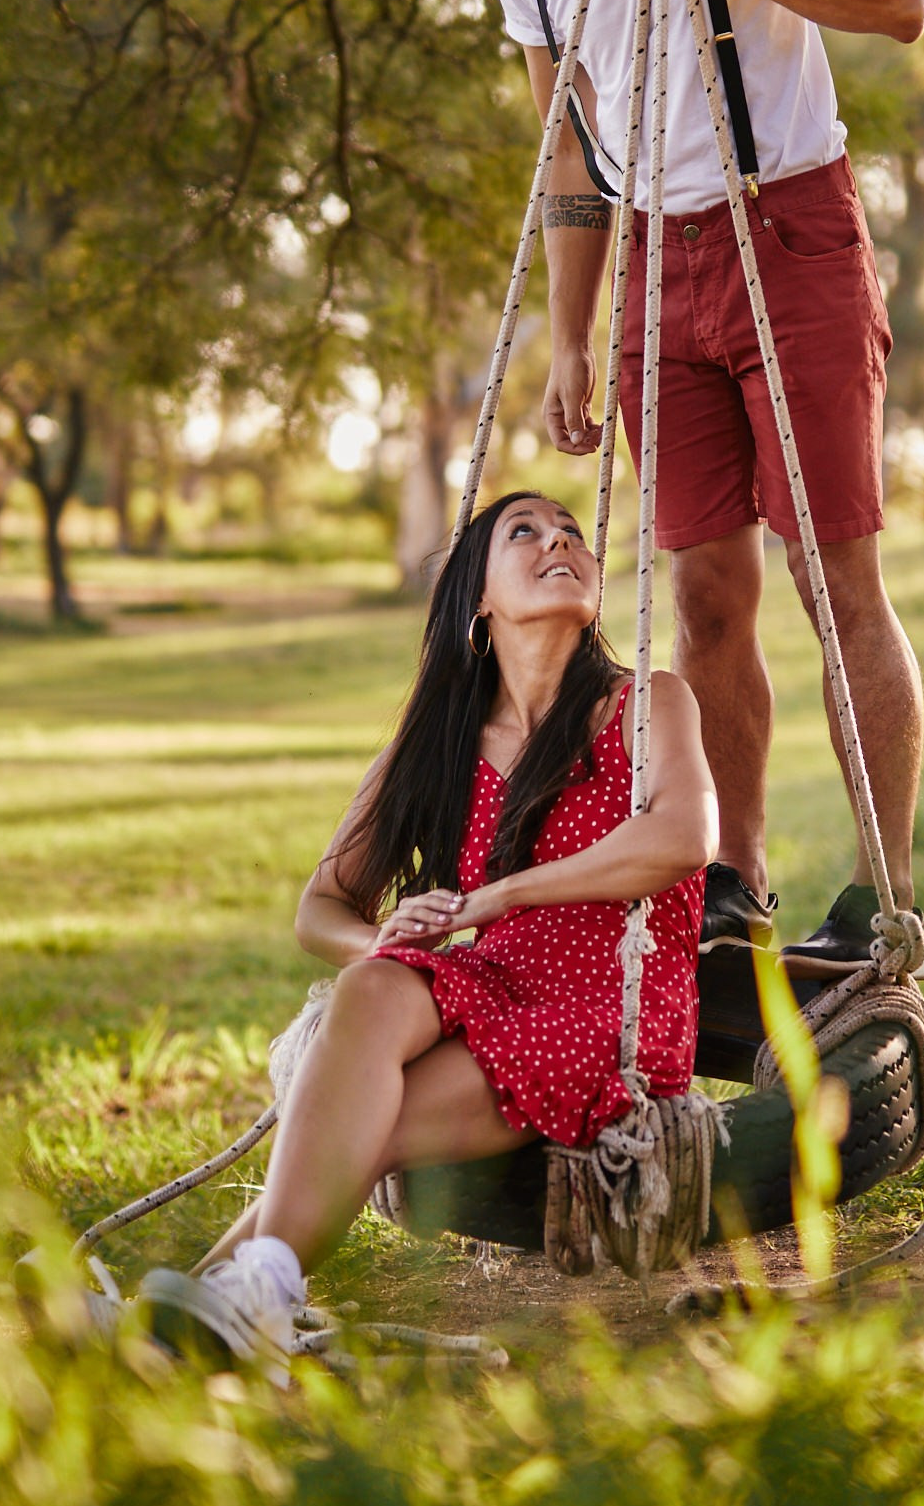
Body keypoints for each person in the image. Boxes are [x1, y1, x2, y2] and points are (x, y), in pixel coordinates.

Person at [423, 0, 924, 973]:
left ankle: (882, 901)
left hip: (791, 229)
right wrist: (571, 338)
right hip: (654, 262)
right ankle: (734, 889)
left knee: (838, 588)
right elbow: (572, 163)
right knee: (705, 597)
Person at [146, 492, 714, 1360]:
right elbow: (321, 910)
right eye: (523, 533)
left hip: (611, 1009)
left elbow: (684, 839)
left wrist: (508, 894)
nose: (558, 540)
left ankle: (200, 1306)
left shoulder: (648, 706)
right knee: (371, 980)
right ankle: (220, 1309)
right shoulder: (439, 743)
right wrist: (387, 938)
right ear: (476, 596)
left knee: (362, 1125)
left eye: (570, 532)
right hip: (492, 983)